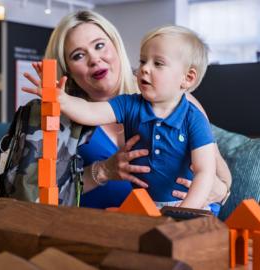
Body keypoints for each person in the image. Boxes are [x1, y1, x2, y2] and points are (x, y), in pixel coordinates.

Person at [22, 10, 231, 213]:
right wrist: (102, 171)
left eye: (99, 45)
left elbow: (221, 178)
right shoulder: (65, 116)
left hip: (179, 213)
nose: (94, 59)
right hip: (105, 224)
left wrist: (215, 193)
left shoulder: (186, 106)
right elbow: (41, 198)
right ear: (67, 68)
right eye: (78, 55)